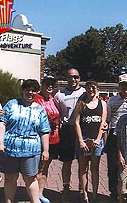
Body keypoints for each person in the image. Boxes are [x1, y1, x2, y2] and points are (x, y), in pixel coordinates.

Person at [0, 79, 50, 203]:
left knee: (31, 179)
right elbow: (2, 123)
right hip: (9, 150)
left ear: (37, 92)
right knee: (10, 178)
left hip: (31, 151)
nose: (30, 92)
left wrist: (46, 150)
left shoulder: (40, 110)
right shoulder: (11, 104)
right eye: (27, 89)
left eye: (34, 90)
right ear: (23, 90)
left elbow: (44, 131)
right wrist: (0, 142)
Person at [54, 68, 85, 201]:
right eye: (70, 77)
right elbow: (55, 113)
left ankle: (82, 188)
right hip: (66, 130)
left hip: (82, 130)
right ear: (66, 78)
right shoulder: (59, 95)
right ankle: (66, 188)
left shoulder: (85, 92)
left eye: (76, 77)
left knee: (83, 163)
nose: (73, 79)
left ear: (79, 78)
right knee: (66, 162)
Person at [73, 80, 107, 203]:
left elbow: (103, 122)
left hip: (96, 141)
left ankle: (94, 195)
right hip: (84, 139)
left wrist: (98, 138)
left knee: (95, 168)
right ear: (85, 89)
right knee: (83, 168)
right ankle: (85, 194)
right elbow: (76, 122)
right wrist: (81, 140)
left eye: (93, 87)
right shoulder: (81, 103)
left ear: (97, 89)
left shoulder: (102, 103)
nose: (91, 90)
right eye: (88, 88)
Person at [106, 74, 127, 201]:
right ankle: (113, 193)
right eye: (122, 84)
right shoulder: (112, 101)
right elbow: (108, 119)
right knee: (113, 166)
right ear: (119, 86)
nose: (125, 87)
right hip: (114, 135)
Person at [34, 76, 60, 203]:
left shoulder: (52, 99)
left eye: (52, 85)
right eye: (47, 84)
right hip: (40, 138)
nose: (50, 86)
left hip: (53, 138)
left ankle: (40, 193)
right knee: (38, 167)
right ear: (42, 85)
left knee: (45, 167)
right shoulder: (36, 99)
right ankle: (34, 195)